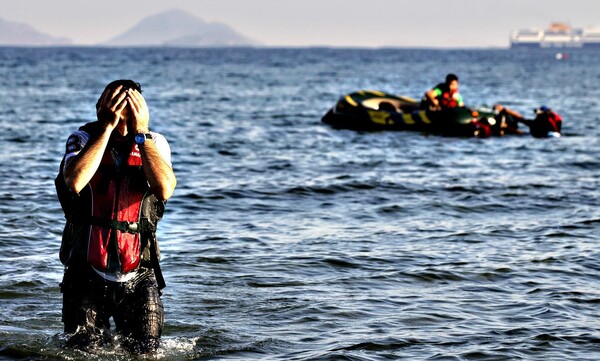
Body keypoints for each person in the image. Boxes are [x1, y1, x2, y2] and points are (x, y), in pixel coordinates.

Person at [55, 80, 176, 353]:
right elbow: (74, 181)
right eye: (115, 110)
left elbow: (165, 188)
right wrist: (106, 127)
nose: (123, 121)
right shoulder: (82, 139)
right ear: (100, 108)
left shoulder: (155, 143)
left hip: (140, 273)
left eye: (128, 112)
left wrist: (141, 132)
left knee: (147, 353)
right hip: (85, 271)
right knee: (81, 353)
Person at [493, 104, 562, 138]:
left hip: (548, 136)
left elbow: (522, 120)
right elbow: (522, 119)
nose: (536, 115)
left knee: (523, 135)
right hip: (553, 136)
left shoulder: (541, 122)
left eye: (537, 113)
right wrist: (505, 110)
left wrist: (507, 127)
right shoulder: (547, 120)